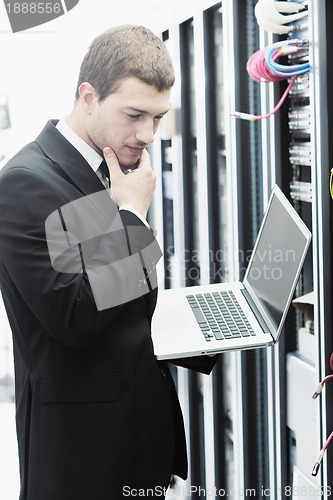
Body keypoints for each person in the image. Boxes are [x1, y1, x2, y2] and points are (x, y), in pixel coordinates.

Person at [0, 25, 215, 499]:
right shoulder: (23, 185)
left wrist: (191, 326)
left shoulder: (110, 168)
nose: (147, 135)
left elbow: (120, 301)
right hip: (84, 462)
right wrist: (133, 216)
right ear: (89, 96)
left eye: (158, 118)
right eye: (134, 114)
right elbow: (74, 315)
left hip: (133, 443)